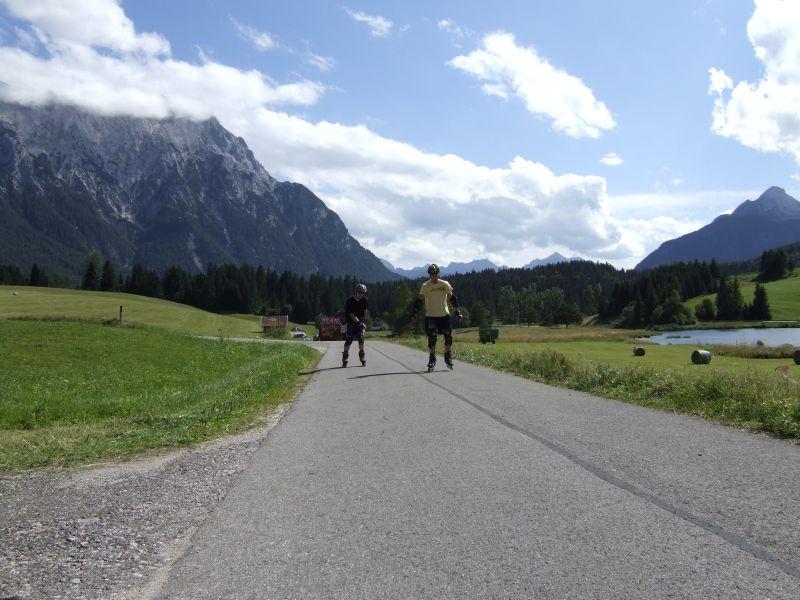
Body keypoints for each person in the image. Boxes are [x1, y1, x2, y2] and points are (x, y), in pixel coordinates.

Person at [411, 264, 463, 371]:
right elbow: (419, 300)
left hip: (444, 315)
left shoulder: (445, 284)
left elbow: (452, 298)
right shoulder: (425, 286)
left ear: (438, 274)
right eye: (431, 275)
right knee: (432, 339)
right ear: (429, 275)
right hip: (431, 316)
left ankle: (447, 356)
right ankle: (432, 358)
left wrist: (457, 312)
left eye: (435, 275)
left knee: (448, 337)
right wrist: (414, 313)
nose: (433, 277)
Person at [342, 283, 369, 367]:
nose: (361, 294)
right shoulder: (349, 301)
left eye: (363, 293)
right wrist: (360, 323)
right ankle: (345, 357)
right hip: (351, 321)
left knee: (360, 338)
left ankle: (362, 357)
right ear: (356, 292)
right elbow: (351, 314)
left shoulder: (365, 300)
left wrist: (363, 321)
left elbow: (365, 311)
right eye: (360, 292)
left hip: (360, 320)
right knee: (349, 340)